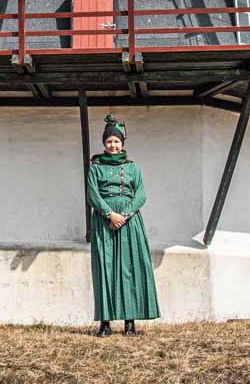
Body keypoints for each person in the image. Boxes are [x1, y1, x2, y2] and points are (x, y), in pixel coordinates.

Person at [86, 114, 160, 336]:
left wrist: (124, 215)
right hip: (103, 220)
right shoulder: (95, 167)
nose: (113, 145)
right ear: (104, 143)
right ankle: (105, 323)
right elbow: (92, 193)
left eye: (116, 141)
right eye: (109, 141)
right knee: (105, 268)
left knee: (130, 268)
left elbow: (141, 195)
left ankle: (130, 322)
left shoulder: (133, 168)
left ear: (122, 143)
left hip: (129, 222)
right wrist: (110, 214)